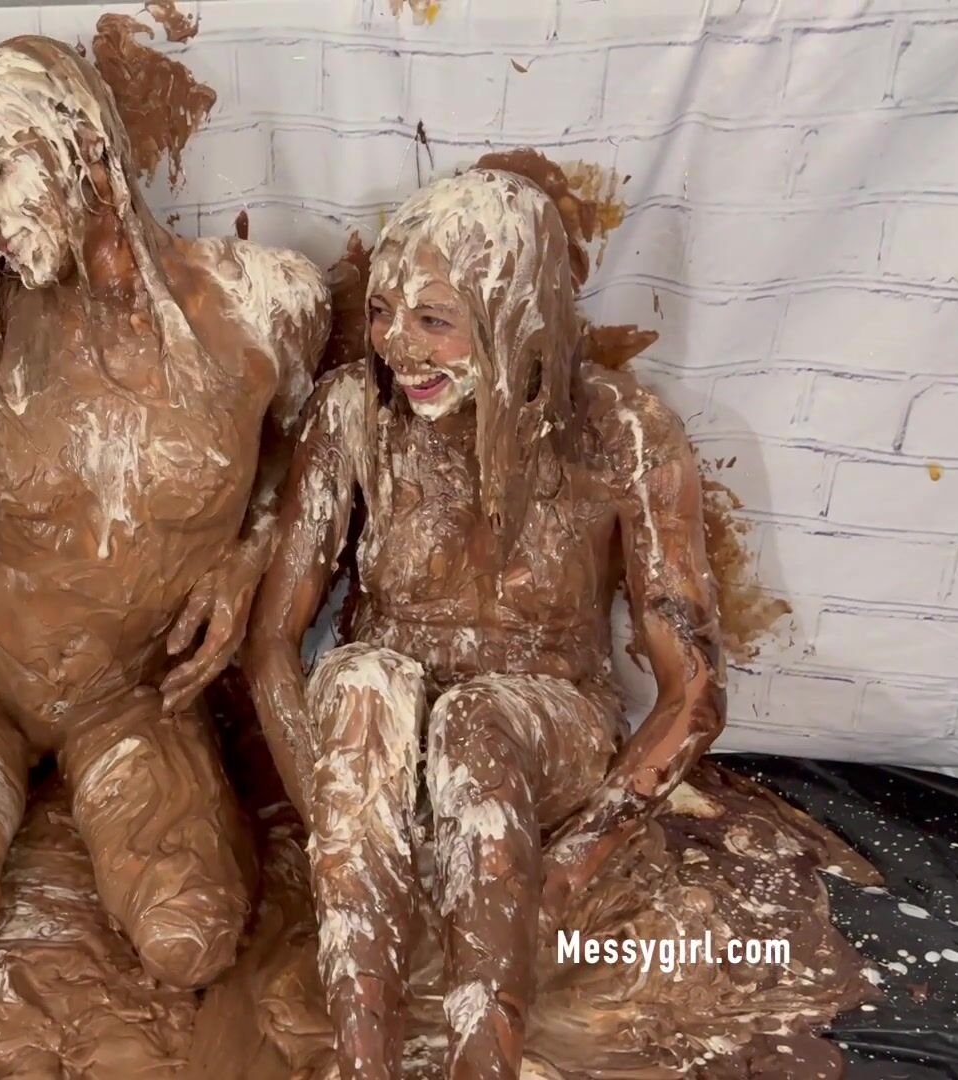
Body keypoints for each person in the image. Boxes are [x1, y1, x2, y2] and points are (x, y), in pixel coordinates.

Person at [0, 35, 331, 998]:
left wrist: (248, 557)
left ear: (81, 142)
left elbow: (309, 445)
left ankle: (98, 787)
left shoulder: (266, 304)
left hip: (131, 689)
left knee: (188, 939)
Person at [242, 169, 724, 1079]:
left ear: (518, 319)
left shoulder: (622, 434)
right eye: (382, 311)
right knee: (362, 682)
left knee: (476, 721)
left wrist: (567, 869)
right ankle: (363, 1056)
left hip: (546, 732)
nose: (397, 345)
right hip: (382, 749)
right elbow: (271, 644)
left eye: (434, 319)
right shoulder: (354, 412)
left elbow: (694, 692)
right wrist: (334, 823)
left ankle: (484, 1054)